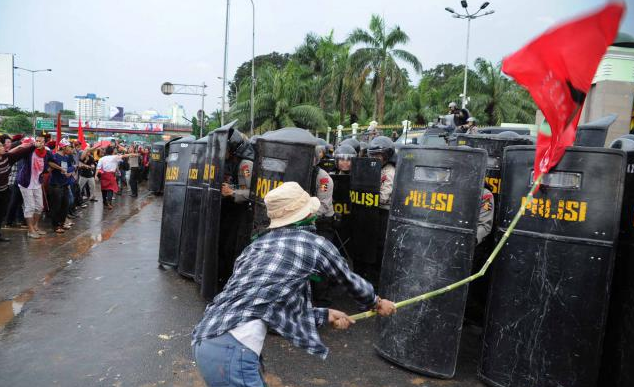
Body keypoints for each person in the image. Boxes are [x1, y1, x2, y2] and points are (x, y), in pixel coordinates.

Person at [191, 182, 397, 387]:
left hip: (206, 339)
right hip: (233, 350)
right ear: (307, 215)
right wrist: (376, 302)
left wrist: (324, 315)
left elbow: (268, 308)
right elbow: (349, 280)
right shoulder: (314, 244)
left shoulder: (256, 246)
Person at [15, 134, 52, 239]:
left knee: (40, 206)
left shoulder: (45, 153)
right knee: (30, 207)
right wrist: (30, 146)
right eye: (37, 140)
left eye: (41, 141)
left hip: (37, 183)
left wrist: (51, 168)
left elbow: (48, 165)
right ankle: (30, 230)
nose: (39, 143)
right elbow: (20, 151)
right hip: (25, 182)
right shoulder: (29, 151)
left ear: (44, 143)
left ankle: (35, 226)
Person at [0, 136, 33, 241]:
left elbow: (19, 153)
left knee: (2, 213)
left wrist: (32, 146)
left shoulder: (7, 158)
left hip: (4, 190)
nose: (3, 147)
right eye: (1, 146)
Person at [47, 139, 75, 234]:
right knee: (56, 206)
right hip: (56, 185)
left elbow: (71, 167)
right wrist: (60, 168)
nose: (70, 149)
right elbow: (49, 163)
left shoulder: (67, 157)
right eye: (69, 147)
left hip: (65, 185)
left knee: (65, 205)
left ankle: (62, 223)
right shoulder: (55, 156)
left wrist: (70, 172)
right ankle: (55, 226)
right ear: (63, 147)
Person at [367, 136, 396, 208]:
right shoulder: (377, 167)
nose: (374, 158)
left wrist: (365, 198)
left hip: (384, 208)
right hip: (373, 203)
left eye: (377, 155)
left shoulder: (389, 171)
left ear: (386, 155)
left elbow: (383, 198)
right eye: (372, 155)